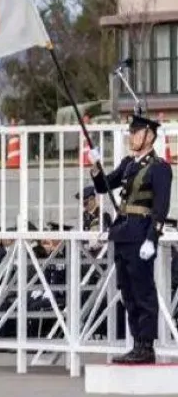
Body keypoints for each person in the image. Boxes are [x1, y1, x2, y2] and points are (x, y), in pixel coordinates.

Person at [85, 112, 172, 364]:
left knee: (143, 291)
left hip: (140, 234)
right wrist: (96, 167)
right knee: (128, 291)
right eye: (131, 133)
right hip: (122, 233)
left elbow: (161, 207)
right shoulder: (128, 164)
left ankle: (146, 345)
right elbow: (103, 186)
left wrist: (152, 238)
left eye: (136, 133)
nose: (131, 137)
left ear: (149, 136)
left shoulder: (159, 168)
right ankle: (136, 343)